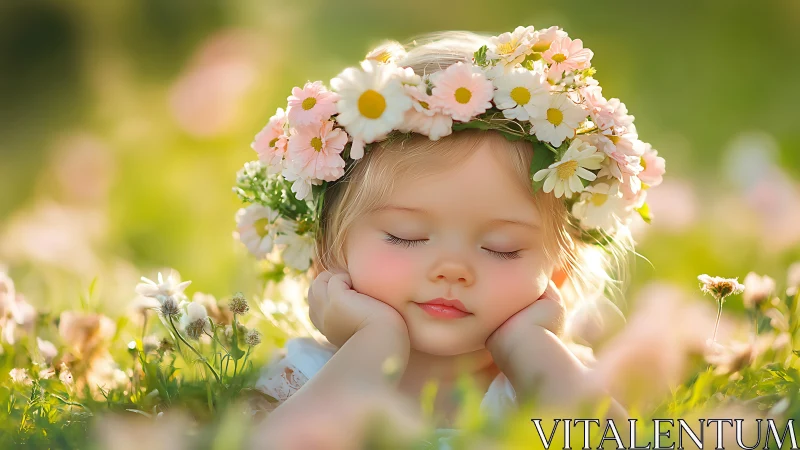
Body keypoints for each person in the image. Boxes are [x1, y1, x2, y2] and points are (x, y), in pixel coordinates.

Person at [237, 25, 666, 448]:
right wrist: (374, 344)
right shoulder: (307, 378)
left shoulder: (557, 384)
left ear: (558, 272)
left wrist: (531, 350)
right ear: (328, 252)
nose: (453, 270)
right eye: (407, 237)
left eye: (502, 248)